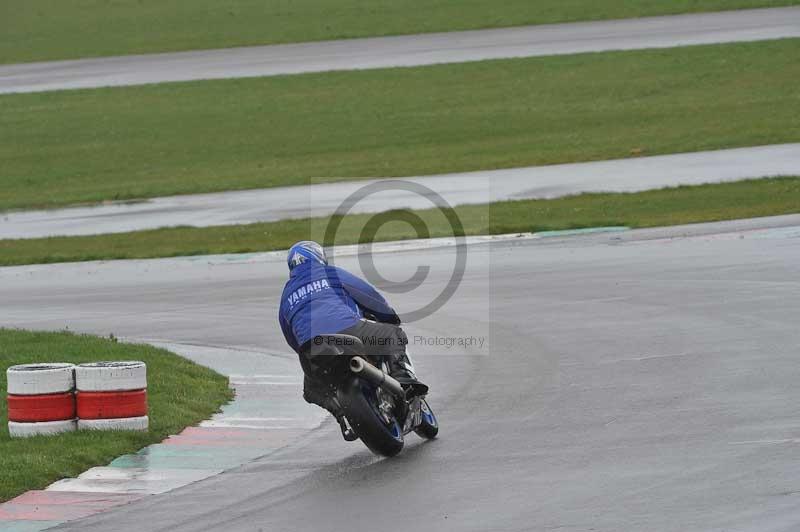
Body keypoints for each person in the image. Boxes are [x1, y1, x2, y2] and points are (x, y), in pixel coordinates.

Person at [278, 240, 428, 440]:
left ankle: (341, 414)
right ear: (319, 257)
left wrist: (306, 352)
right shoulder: (330, 273)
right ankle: (403, 379)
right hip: (348, 332)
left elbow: (289, 335)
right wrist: (389, 316)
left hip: (311, 348)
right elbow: (367, 295)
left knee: (311, 390)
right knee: (393, 335)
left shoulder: (286, 294)